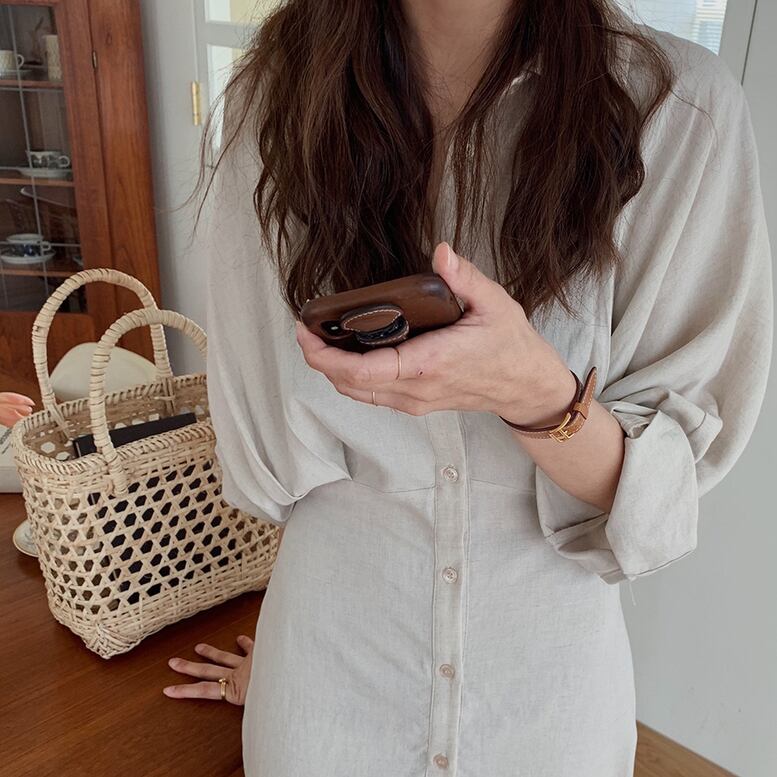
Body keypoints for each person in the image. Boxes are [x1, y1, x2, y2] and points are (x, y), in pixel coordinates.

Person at [163, 1, 774, 775]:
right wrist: (285, 659)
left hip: (547, 710)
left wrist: (536, 393)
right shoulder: (275, 99)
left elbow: (656, 502)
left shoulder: (678, 111)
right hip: (324, 692)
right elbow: (266, 462)